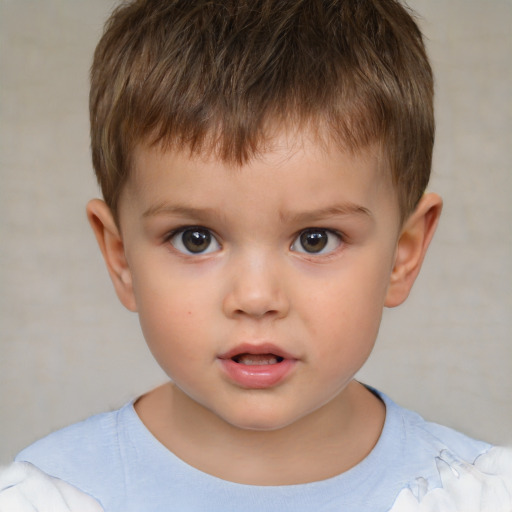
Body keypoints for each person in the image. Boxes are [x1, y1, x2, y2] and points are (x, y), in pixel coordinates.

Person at [9, 0, 511, 511]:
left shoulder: (482, 496)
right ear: (120, 258)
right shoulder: (44, 498)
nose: (255, 298)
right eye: (195, 238)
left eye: (316, 239)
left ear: (403, 255)